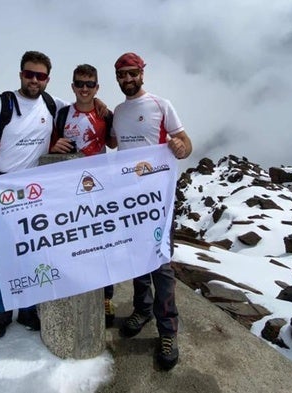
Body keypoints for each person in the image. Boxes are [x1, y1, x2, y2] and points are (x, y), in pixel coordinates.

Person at [111, 52, 192, 371]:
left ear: (142, 74)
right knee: (135, 259)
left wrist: (181, 148)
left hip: (158, 200)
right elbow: (116, 146)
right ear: (117, 78)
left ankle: (168, 331)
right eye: (122, 75)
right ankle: (142, 309)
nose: (128, 79)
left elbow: (185, 142)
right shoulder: (118, 112)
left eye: (133, 73)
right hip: (129, 200)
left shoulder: (161, 105)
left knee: (160, 264)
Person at [49, 64, 118, 327]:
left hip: (99, 188)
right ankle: (73, 286)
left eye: (90, 84)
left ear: (97, 87)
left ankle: (105, 296)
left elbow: (113, 143)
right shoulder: (63, 114)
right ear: (73, 86)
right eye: (80, 84)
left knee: (103, 242)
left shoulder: (105, 115)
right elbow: (52, 143)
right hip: (68, 188)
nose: (85, 89)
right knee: (72, 241)